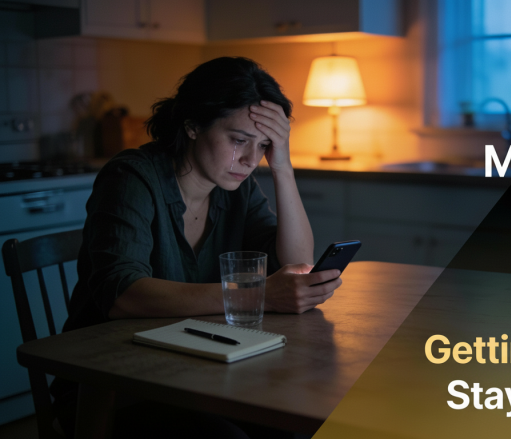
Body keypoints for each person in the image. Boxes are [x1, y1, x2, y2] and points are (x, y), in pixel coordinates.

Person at [51, 57, 341, 438]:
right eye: (238, 140)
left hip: (198, 372)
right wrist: (260, 294)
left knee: (300, 422)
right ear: (191, 125)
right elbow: (123, 295)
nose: (250, 160)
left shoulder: (236, 188)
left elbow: (298, 262)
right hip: (113, 387)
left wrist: (283, 168)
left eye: (264, 145)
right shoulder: (132, 177)